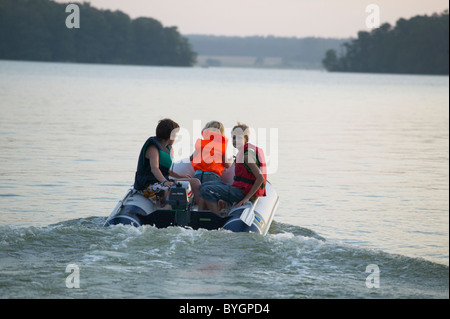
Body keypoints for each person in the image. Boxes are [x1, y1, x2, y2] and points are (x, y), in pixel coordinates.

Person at [198, 122, 267, 215]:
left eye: (239, 138)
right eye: (233, 138)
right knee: (204, 186)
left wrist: (246, 198)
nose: (235, 140)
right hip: (238, 188)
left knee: (206, 190)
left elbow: (260, 178)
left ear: (246, 139)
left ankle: (216, 217)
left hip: (242, 192)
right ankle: (203, 213)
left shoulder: (246, 157)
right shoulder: (241, 153)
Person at [134, 118, 200, 207]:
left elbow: (166, 170)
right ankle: (167, 213)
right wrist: (165, 182)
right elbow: (155, 168)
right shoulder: (153, 148)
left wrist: (181, 176)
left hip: (162, 182)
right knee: (171, 192)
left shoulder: (166, 148)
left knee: (195, 182)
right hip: (149, 185)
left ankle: (198, 209)